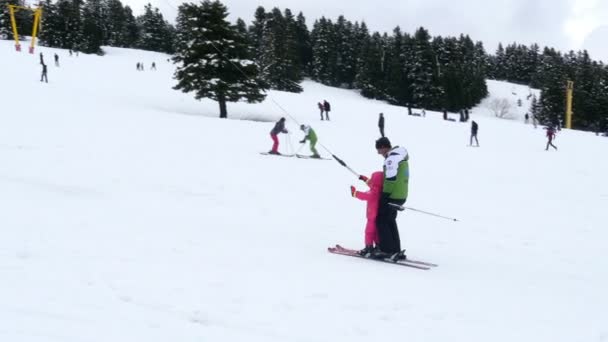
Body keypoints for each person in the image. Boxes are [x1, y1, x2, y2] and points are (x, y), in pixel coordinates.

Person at [362, 137, 409, 259]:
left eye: (379, 150)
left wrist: (384, 196)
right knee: (390, 220)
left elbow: (390, 179)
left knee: (381, 220)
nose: (379, 153)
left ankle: (387, 250)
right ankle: (395, 249)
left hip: (392, 195)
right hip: (401, 195)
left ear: (384, 147)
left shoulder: (391, 159)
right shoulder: (400, 156)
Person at [350, 171, 384, 256]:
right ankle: (378, 246)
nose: (371, 180)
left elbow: (365, 195)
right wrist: (364, 179)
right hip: (378, 216)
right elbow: (372, 184)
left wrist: (355, 193)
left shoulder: (373, 192)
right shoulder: (381, 189)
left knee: (369, 232)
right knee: (376, 232)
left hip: (372, 215)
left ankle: (368, 247)